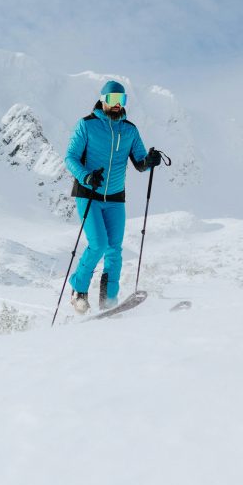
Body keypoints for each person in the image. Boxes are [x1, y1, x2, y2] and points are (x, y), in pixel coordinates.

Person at [64, 80, 162, 313]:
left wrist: (149, 162)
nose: (117, 104)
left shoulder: (129, 129)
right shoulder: (86, 125)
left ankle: (109, 302)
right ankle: (78, 290)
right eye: (113, 100)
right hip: (89, 194)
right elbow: (70, 157)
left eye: (122, 100)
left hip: (116, 197)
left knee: (115, 250)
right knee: (98, 244)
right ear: (103, 100)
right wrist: (86, 176)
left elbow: (139, 162)